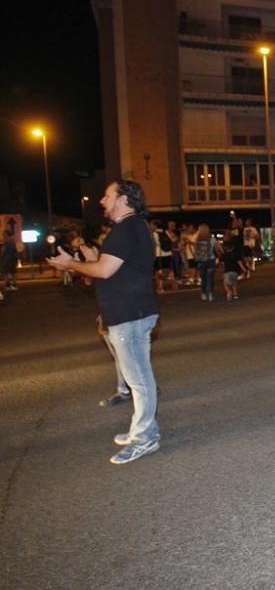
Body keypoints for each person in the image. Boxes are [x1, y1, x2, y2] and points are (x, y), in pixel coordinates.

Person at [47, 180, 161, 464]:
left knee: (139, 381)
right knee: (137, 379)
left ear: (123, 199)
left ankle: (146, 437)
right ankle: (141, 428)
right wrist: (93, 258)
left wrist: (70, 265)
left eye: (107, 195)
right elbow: (114, 267)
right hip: (131, 311)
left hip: (130, 314)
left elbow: (105, 271)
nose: (101, 200)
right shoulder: (132, 227)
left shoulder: (125, 229)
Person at [191, 223, 219, 302]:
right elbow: (217, 249)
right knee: (210, 278)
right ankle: (210, 294)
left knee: (203, 279)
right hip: (211, 260)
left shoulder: (197, 240)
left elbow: (195, 251)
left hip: (201, 261)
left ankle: (203, 293)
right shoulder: (212, 240)